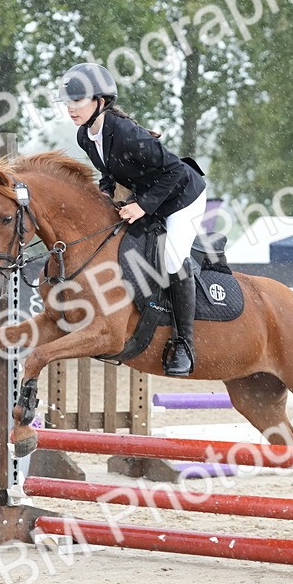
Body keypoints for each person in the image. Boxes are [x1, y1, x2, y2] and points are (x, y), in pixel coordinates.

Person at [58, 62, 207, 376]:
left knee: (170, 259)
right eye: (69, 102)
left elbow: (176, 171)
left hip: (182, 197)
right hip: (151, 196)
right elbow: (109, 174)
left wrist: (143, 206)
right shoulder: (86, 135)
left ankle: (185, 344)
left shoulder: (125, 132)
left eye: (78, 101)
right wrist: (103, 193)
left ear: (100, 101)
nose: (71, 108)